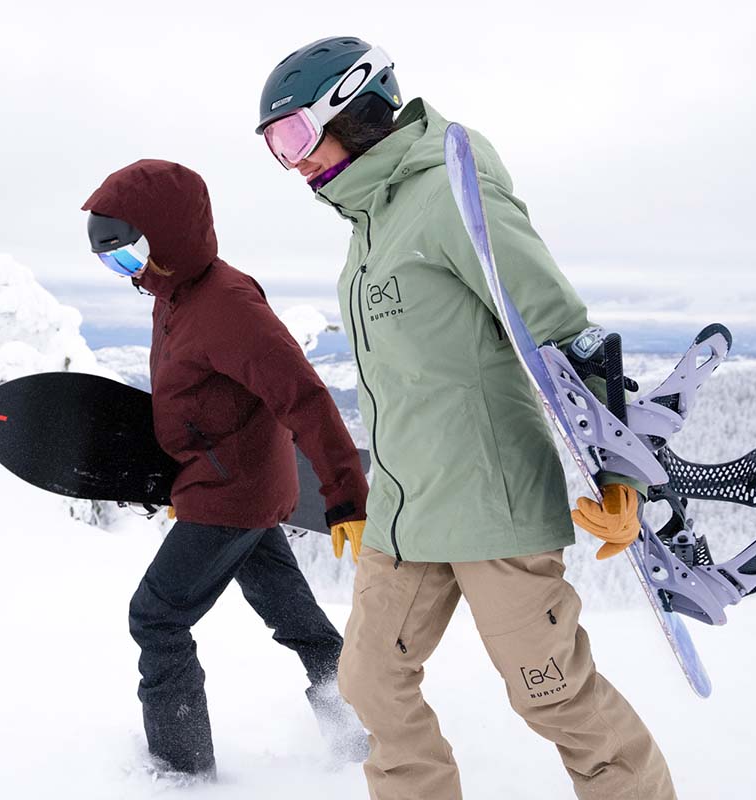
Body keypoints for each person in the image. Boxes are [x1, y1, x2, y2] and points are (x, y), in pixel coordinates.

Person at [255, 36, 675, 800]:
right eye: (273, 148)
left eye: (292, 137)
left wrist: (621, 472)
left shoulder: (451, 190)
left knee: (552, 695)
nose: (291, 163)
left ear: (353, 109)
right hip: (406, 513)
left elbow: (558, 327)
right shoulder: (369, 229)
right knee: (371, 684)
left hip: (492, 503)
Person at [81, 159, 371, 781]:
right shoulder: (175, 293)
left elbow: (304, 396)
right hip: (238, 487)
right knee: (298, 623)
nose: (127, 274)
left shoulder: (227, 304)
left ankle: (181, 775)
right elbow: (201, 407)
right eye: (112, 263)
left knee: (156, 617)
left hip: (234, 494)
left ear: (167, 236)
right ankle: (357, 735)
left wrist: (347, 495)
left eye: (129, 255)